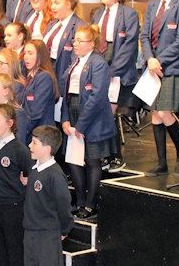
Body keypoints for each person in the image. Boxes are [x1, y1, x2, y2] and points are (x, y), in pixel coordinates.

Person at [140, 0, 179, 177]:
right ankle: (162, 164)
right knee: (155, 115)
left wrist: (157, 60)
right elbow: (144, 37)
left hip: (170, 67)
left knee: (164, 112)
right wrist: (150, 59)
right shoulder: (153, 4)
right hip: (153, 66)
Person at [60, 25, 116, 219]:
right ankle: (80, 201)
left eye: (80, 41)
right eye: (74, 40)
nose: (75, 43)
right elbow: (66, 93)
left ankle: (91, 204)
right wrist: (65, 119)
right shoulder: (74, 62)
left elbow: (97, 96)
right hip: (73, 110)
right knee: (74, 160)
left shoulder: (98, 63)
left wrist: (81, 125)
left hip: (92, 117)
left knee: (92, 160)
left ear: (91, 44)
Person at [91, 0, 140, 173]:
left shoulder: (129, 14)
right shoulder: (97, 14)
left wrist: (110, 72)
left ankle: (116, 155)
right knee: (99, 113)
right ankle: (104, 155)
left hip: (116, 69)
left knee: (109, 113)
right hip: (100, 63)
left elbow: (128, 47)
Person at [0, 104, 32, 266]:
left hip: (12, 207)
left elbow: (31, 173)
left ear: (10, 123)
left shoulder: (19, 150)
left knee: (14, 249)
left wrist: (26, 180)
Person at [23, 125, 73, 266]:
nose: (29, 145)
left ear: (47, 148)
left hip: (47, 235)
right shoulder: (34, 170)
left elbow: (63, 204)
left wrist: (65, 228)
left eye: (34, 143)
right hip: (30, 233)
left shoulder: (55, 175)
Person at [21, 39, 60, 143]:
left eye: (30, 53)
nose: (26, 57)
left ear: (40, 55)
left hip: (41, 135)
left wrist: (23, 131)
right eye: (25, 53)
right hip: (32, 132)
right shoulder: (31, 76)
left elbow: (36, 112)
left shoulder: (44, 77)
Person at [45, 0, 87, 79]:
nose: (52, 7)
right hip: (47, 70)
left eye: (56, 3)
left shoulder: (79, 27)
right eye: (52, 3)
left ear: (68, 5)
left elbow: (77, 59)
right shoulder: (52, 24)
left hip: (62, 74)